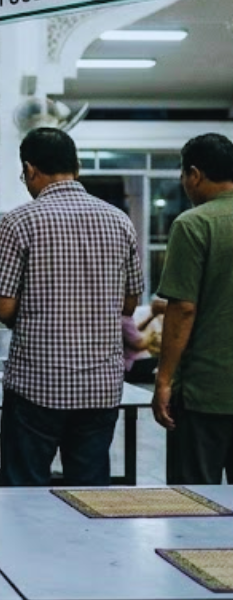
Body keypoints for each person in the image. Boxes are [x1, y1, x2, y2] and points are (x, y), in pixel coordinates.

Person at [0, 128, 144, 487]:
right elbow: (129, 303)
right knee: (89, 491)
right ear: (77, 166)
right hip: (100, 386)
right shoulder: (119, 220)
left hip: (36, 384)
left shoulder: (19, 221)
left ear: (30, 169)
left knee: (23, 490)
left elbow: (3, 308)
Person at [152, 133, 233, 485]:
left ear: (195, 174)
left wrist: (164, 379)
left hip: (205, 391)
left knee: (195, 503)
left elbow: (183, 309)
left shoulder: (194, 223)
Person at [122, 297, 166, 384]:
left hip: (138, 362)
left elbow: (136, 331)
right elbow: (139, 345)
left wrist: (153, 315)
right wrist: (152, 335)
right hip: (133, 365)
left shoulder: (126, 319)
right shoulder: (124, 320)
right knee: (167, 364)